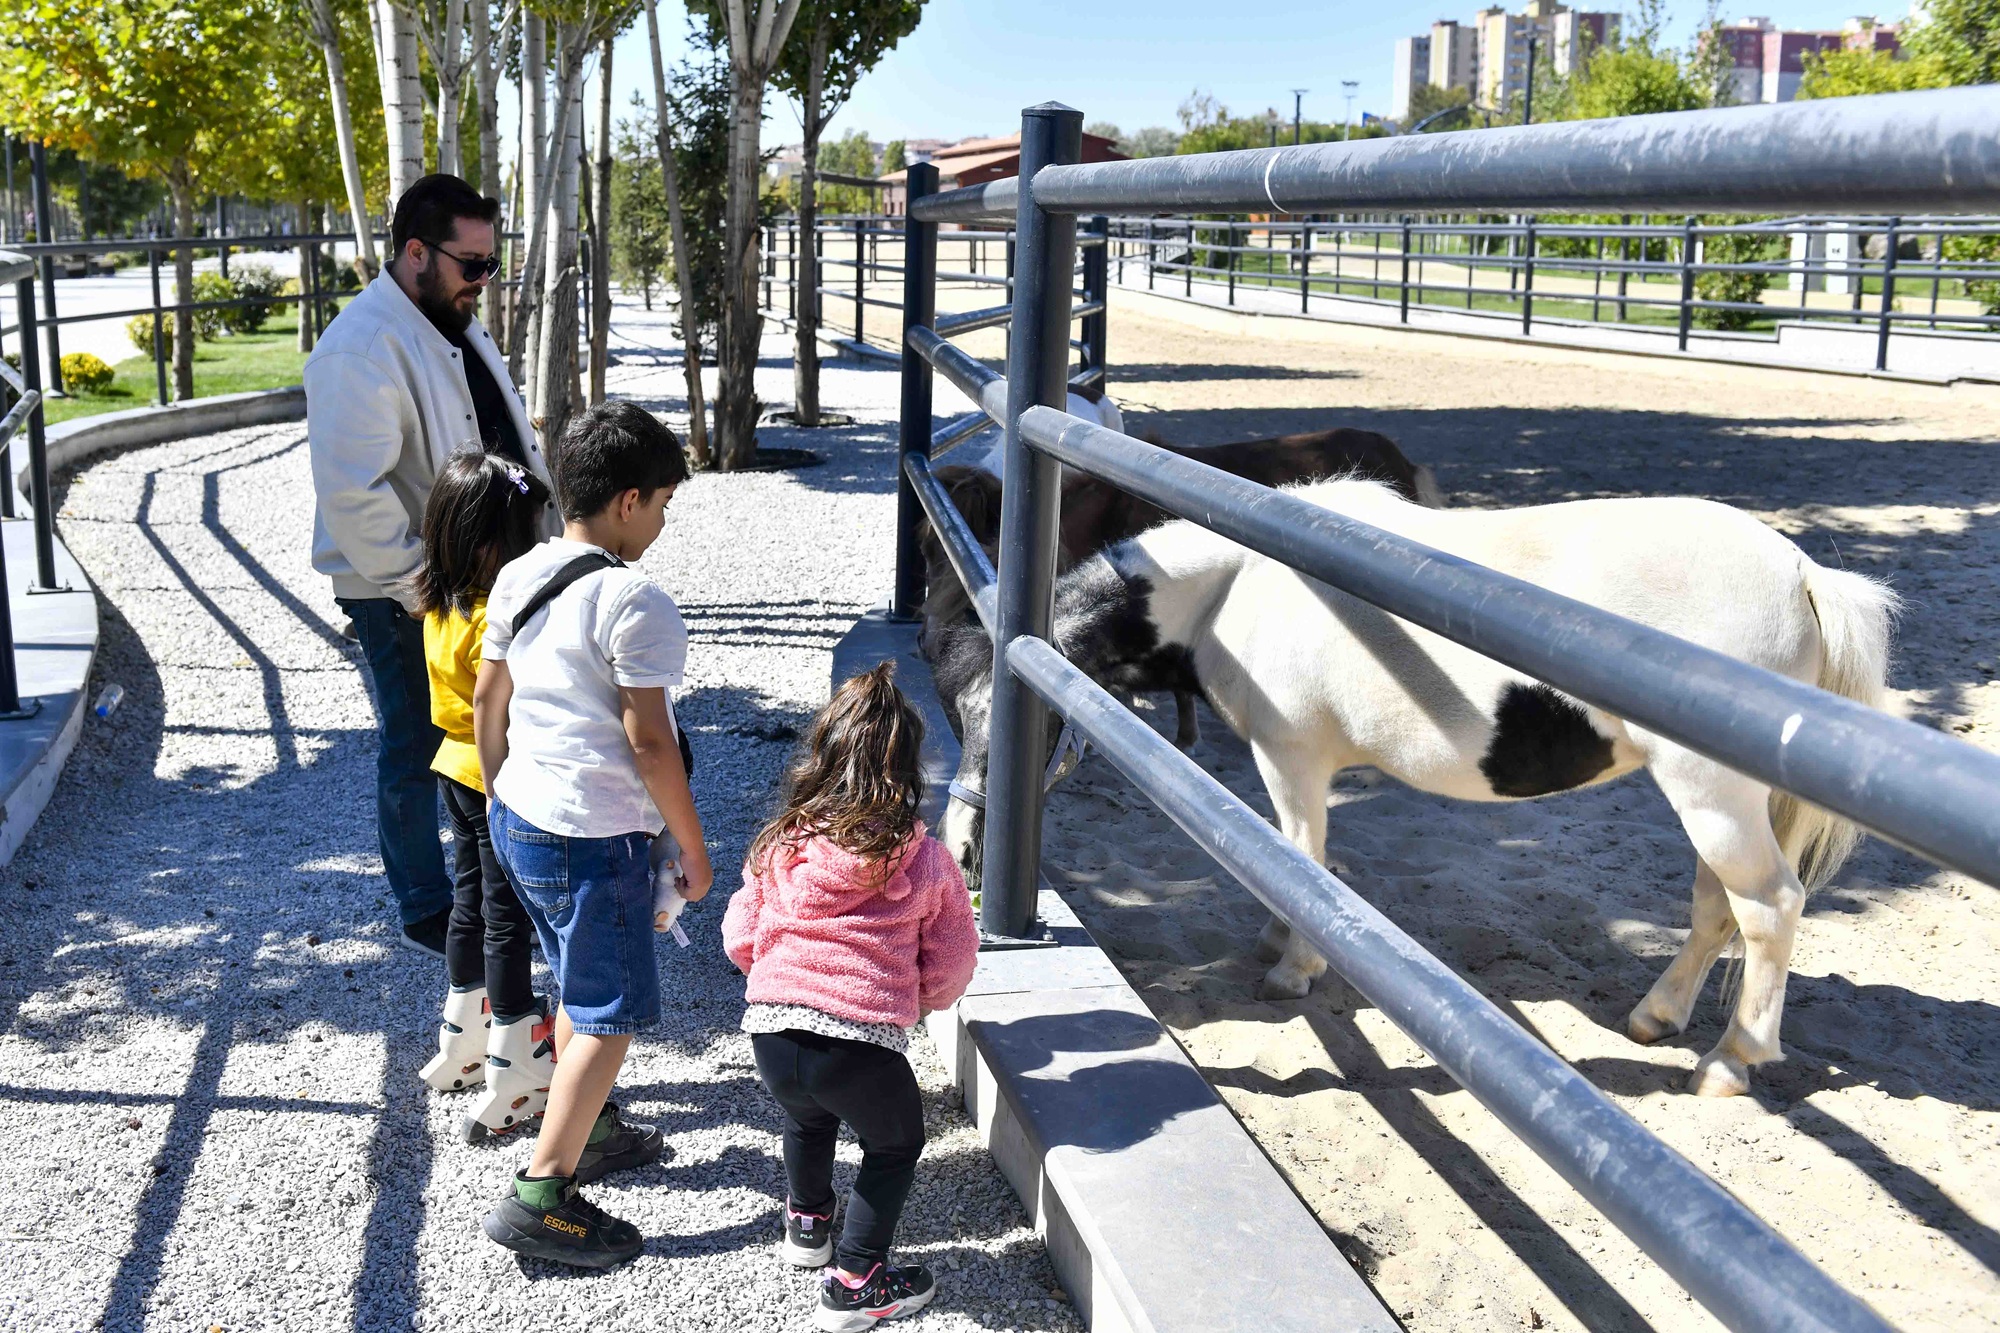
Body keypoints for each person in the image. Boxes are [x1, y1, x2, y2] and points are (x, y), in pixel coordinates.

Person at [475, 401, 710, 1269]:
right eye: (662, 506)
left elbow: (487, 703)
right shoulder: (634, 598)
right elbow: (650, 742)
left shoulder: (520, 573)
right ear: (627, 500)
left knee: (576, 982)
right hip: (592, 835)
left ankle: (593, 1125)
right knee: (608, 1017)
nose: (660, 523)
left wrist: (504, 798)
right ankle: (541, 1194)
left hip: (523, 821)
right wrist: (692, 845)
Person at [305, 173, 555, 957]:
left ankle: (485, 882)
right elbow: (354, 493)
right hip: (407, 589)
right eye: (471, 263)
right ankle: (424, 903)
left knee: (485, 727)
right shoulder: (360, 345)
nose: (485, 279)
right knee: (415, 740)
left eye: (491, 262)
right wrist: (425, 592)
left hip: (477, 580)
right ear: (417, 252)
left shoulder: (444, 314)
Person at [722, 663, 980, 1331]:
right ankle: (859, 1279)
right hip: (859, 1042)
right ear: (910, 769)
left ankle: (808, 1223)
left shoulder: (781, 844)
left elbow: (739, 934)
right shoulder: (924, 861)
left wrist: (774, 977)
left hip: (772, 1034)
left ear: (823, 755)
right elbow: (950, 963)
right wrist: (924, 997)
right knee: (895, 1142)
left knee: (807, 1119)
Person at [409, 451, 560, 1142]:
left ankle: (462, 1030)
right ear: (495, 542)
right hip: (496, 776)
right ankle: (516, 1058)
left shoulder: (436, 603)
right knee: (508, 919)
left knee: (468, 905)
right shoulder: (493, 615)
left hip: (453, 767)